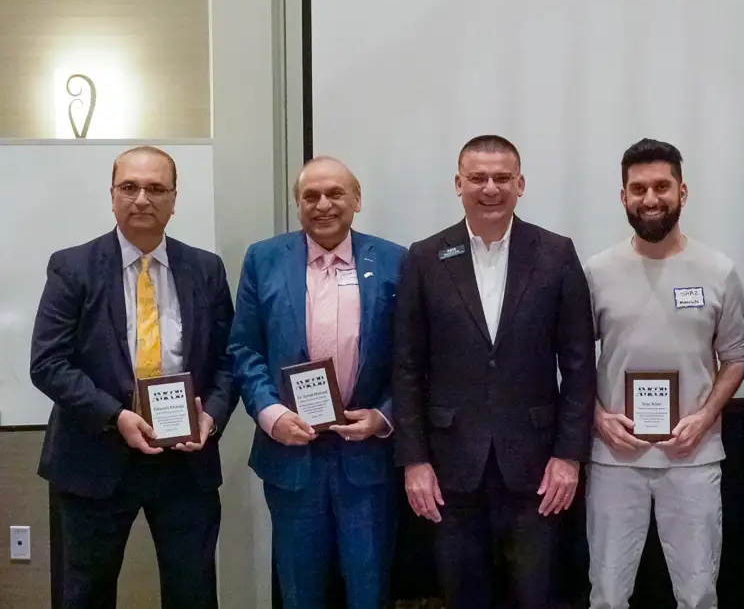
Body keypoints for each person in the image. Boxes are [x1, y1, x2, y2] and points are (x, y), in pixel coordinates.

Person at [392, 134, 597, 609]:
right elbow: (406, 367)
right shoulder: (424, 257)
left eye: (502, 178)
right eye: (478, 178)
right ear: (458, 183)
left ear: (520, 184)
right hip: (449, 469)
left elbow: (579, 365)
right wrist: (414, 461)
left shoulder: (556, 253)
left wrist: (569, 456)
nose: (490, 188)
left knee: (534, 597)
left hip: (537, 472)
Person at [29, 146, 237, 609]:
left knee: (194, 593)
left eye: (156, 188)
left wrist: (212, 416)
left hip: (185, 461)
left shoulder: (206, 268)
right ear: (112, 196)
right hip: (94, 456)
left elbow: (228, 359)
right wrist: (115, 416)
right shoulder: (72, 266)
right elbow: (48, 363)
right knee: (85, 595)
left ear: (174, 199)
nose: (142, 198)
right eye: (130, 187)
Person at [229, 156, 406, 609]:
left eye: (335, 194)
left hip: (366, 459)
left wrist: (384, 416)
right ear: (298, 204)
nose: (323, 204)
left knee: (369, 589)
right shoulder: (263, 259)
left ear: (357, 200)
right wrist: (271, 414)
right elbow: (244, 348)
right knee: (299, 590)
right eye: (311, 196)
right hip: (291, 457)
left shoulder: (394, 261)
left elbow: (413, 358)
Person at [584, 138, 744, 609]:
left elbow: (738, 355)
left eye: (662, 186)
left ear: (683, 192)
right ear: (623, 197)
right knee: (608, 595)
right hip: (615, 458)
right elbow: (570, 360)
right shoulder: (597, 272)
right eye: (639, 189)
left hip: (693, 456)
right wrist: (598, 418)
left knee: (698, 595)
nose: (651, 198)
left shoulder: (718, 271)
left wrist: (705, 416)